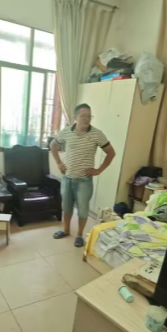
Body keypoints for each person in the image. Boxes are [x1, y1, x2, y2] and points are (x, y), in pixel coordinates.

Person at [51, 103, 116, 248]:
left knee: (83, 210)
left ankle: (79, 235)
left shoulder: (97, 134)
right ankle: (66, 230)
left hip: (84, 181)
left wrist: (99, 170)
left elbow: (111, 153)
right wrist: (59, 163)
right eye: (83, 116)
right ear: (75, 117)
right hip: (67, 178)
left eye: (89, 116)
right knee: (66, 207)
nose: (86, 119)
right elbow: (53, 145)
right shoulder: (66, 132)